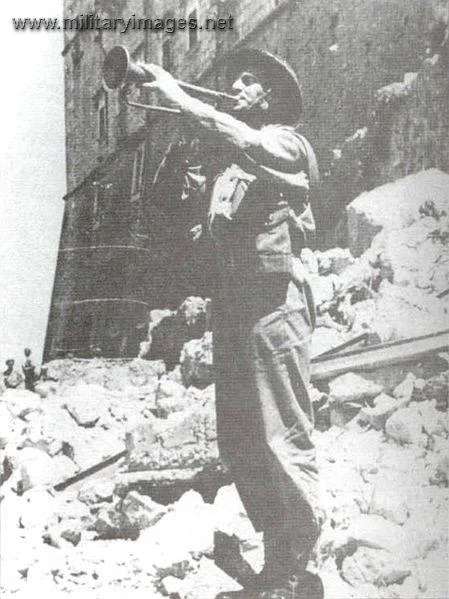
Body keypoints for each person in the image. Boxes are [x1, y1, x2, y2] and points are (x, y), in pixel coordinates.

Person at [143, 48, 323, 599]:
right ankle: (275, 569)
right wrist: (184, 138)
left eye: (249, 81)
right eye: (237, 80)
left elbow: (253, 141)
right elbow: (167, 216)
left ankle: (295, 573)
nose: (237, 87)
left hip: (275, 306)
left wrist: (182, 97)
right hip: (234, 309)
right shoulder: (228, 168)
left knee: (282, 435)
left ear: (270, 97)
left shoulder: (288, 143)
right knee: (242, 439)